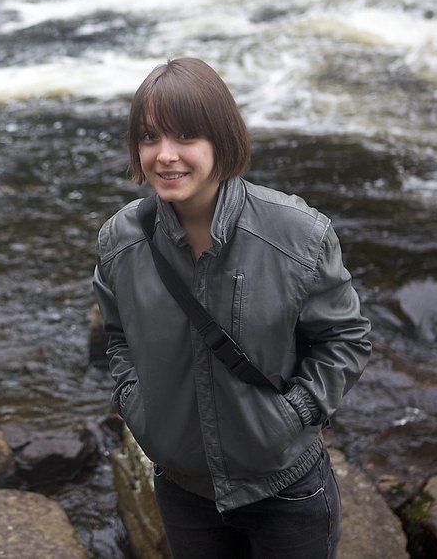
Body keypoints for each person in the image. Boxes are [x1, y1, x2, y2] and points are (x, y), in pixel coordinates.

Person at [92, 58, 371, 558]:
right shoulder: (121, 242)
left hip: (285, 489)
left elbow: (345, 339)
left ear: (221, 140)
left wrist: (296, 414)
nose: (165, 156)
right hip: (183, 490)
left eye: (185, 137)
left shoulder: (297, 234)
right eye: (150, 137)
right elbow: (117, 339)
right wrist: (140, 409)